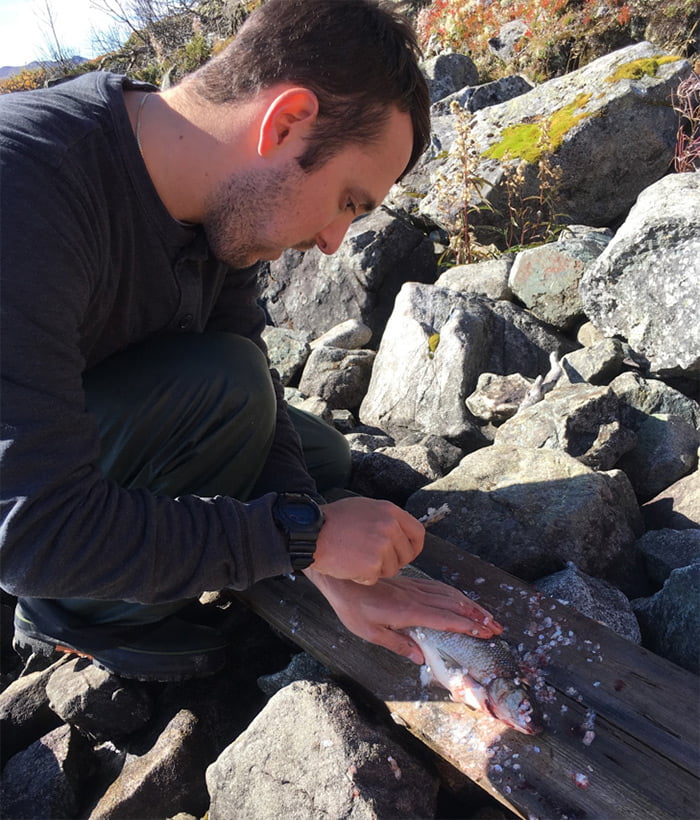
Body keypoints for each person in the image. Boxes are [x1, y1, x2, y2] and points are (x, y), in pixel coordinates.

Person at [0, 0, 503, 682]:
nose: (333, 242)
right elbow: (31, 533)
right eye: (349, 201)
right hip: (26, 514)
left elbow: (255, 381)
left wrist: (322, 558)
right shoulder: (26, 190)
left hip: (71, 420)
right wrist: (304, 536)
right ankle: (69, 613)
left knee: (309, 446)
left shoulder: (219, 211)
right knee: (229, 392)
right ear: (287, 121)